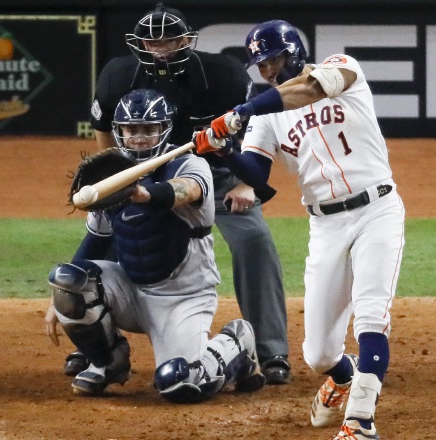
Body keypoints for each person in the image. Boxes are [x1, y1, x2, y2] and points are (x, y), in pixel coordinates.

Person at [194, 20, 405, 439]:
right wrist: (224, 151)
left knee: (370, 317)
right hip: (325, 225)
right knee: (318, 355)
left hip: (377, 210)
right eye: (261, 64)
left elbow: (308, 90)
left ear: (294, 50)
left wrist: (242, 111)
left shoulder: (342, 68)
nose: (268, 71)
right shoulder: (268, 117)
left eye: (273, 59)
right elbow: (257, 176)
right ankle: (342, 378)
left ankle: (360, 421)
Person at [72, 2, 291, 384]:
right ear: (137, 43)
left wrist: (246, 183)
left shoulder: (223, 75)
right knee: (107, 238)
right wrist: (111, 178)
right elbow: (105, 130)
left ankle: (271, 351)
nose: (161, 48)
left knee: (253, 239)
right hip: (140, 171)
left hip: (217, 174)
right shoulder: (118, 74)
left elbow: (258, 129)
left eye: (170, 39)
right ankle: (96, 348)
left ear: (187, 40)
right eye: (151, 42)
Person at [44, 88, 265, 402]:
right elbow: (96, 242)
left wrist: (143, 194)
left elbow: (185, 191)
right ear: (118, 132)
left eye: (148, 129)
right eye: (131, 130)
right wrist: (59, 301)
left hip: (183, 297)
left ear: (164, 130)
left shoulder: (188, 165)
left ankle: (238, 343)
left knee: (181, 384)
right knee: (69, 280)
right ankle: (108, 363)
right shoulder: (111, 175)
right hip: (131, 290)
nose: (139, 138)